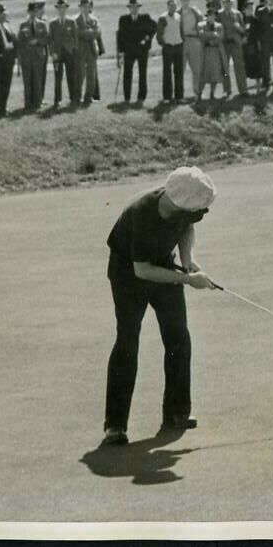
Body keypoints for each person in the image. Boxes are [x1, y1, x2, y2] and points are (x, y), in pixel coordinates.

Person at [101, 166, 218, 447]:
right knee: (128, 340)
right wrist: (188, 279)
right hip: (128, 274)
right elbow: (142, 270)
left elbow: (187, 227)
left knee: (178, 336)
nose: (200, 214)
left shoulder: (181, 209)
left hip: (163, 264)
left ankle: (177, 412)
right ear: (180, 204)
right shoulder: (143, 214)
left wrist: (188, 260)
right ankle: (115, 425)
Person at [115, 0, 157, 104]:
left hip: (142, 50)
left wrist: (148, 38)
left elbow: (154, 27)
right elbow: (120, 36)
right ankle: (127, 98)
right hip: (129, 51)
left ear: (138, 8)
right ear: (129, 8)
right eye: (131, 7)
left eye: (136, 7)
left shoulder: (145, 18)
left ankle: (141, 98)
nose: (134, 9)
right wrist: (120, 52)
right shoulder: (123, 19)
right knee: (127, 73)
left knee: (142, 73)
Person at [17, 1, 50, 111]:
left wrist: (37, 41)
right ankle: (28, 103)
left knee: (38, 80)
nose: (32, 14)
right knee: (27, 81)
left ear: (37, 12)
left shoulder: (42, 24)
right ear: (28, 12)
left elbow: (47, 39)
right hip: (27, 57)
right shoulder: (23, 25)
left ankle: (38, 102)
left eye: (34, 11)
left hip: (38, 56)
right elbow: (19, 42)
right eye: (30, 12)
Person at [48, 0, 79, 109]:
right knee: (58, 77)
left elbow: (75, 39)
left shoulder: (71, 22)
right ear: (57, 9)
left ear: (66, 8)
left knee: (71, 76)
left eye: (64, 8)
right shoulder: (52, 23)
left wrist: (72, 49)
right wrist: (52, 53)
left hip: (69, 53)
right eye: (59, 8)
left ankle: (73, 98)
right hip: (57, 54)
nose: (62, 10)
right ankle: (57, 100)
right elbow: (50, 40)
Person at [74, 0, 105, 105]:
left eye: (88, 6)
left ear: (90, 7)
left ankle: (88, 97)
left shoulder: (94, 19)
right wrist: (89, 33)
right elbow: (78, 33)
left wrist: (86, 33)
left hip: (92, 51)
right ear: (80, 7)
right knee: (80, 76)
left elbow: (97, 33)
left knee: (91, 76)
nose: (86, 9)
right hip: (80, 51)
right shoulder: (75, 20)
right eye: (83, 6)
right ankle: (77, 98)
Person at [217, 0, 249, 96]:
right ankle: (227, 90)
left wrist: (241, 31)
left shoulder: (237, 13)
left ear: (232, 3)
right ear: (222, 3)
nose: (228, 4)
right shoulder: (219, 14)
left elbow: (244, 29)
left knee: (239, 66)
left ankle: (243, 90)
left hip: (236, 43)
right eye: (226, 2)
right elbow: (216, 29)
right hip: (225, 43)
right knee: (225, 67)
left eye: (230, 2)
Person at [0, 4, 18, 117]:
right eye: (1, 13)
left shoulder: (9, 26)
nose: (3, 15)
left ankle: (3, 107)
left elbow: (15, 41)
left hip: (9, 60)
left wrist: (14, 53)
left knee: (6, 84)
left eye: (4, 13)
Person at [156, 0, 185, 102]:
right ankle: (167, 97)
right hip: (168, 47)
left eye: (174, 6)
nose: (173, 8)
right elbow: (159, 35)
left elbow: (181, 31)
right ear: (168, 6)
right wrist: (164, 44)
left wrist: (182, 43)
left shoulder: (179, 16)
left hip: (178, 46)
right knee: (167, 72)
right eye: (171, 6)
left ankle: (179, 97)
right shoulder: (163, 18)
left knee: (179, 72)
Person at [178, 0, 204, 99]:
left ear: (190, 1)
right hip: (182, 42)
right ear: (181, 1)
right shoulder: (177, 13)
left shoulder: (195, 11)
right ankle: (179, 94)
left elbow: (202, 22)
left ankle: (197, 92)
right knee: (180, 69)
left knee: (196, 69)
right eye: (183, 0)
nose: (185, 2)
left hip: (194, 40)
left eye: (187, 0)